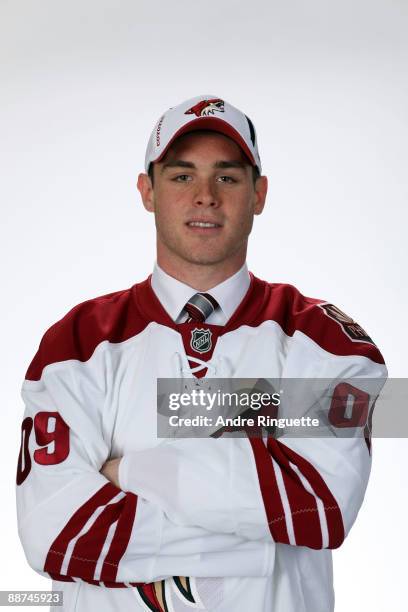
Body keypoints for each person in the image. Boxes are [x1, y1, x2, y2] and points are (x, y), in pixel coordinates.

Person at [16, 94, 387, 612]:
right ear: (148, 191)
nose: (206, 196)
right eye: (182, 176)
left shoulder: (327, 342)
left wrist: (129, 473)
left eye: (228, 177)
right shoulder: (77, 342)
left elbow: (320, 507)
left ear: (259, 194)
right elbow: (57, 533)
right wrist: (257, 545)